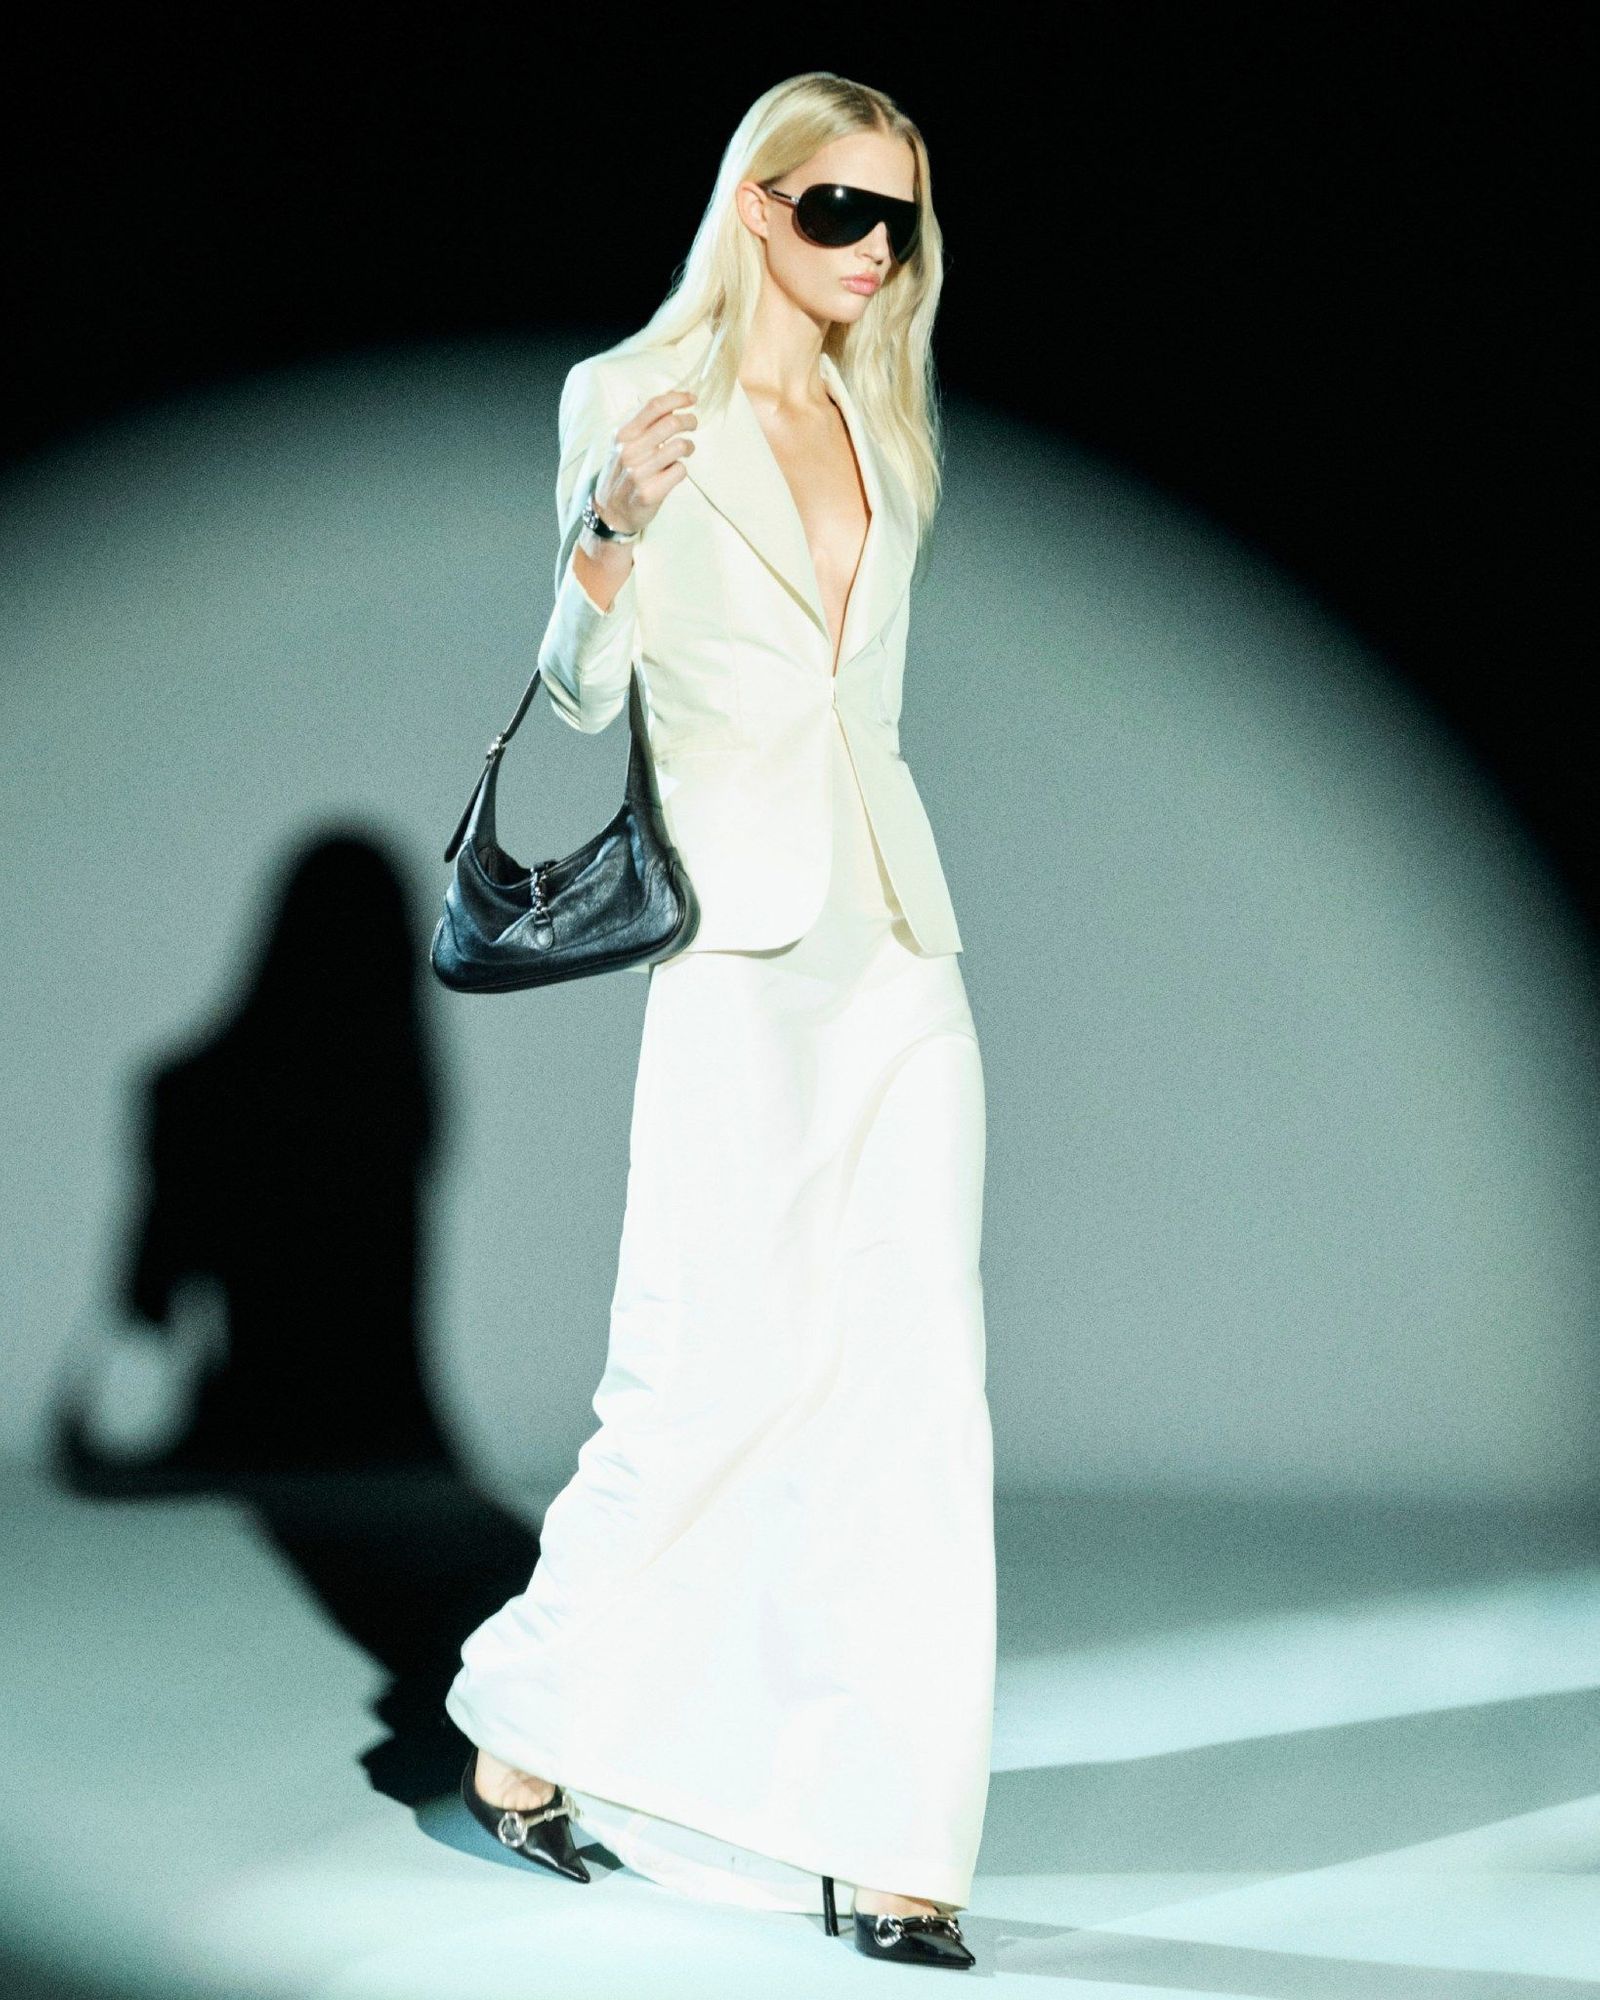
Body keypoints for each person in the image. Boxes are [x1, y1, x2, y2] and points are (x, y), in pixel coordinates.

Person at [445, 70, 993, 1972]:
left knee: (918, 1386)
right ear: (758, 204)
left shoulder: (883, 415)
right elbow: (581, 694)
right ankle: (525, 1724)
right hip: (742, 946)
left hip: (899, 943)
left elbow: (864, 698)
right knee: (706, 1373)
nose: (876, 249)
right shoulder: (630, 397)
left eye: (900, 217)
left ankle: (902, 1850)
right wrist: (607, 532)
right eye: (842, 209)